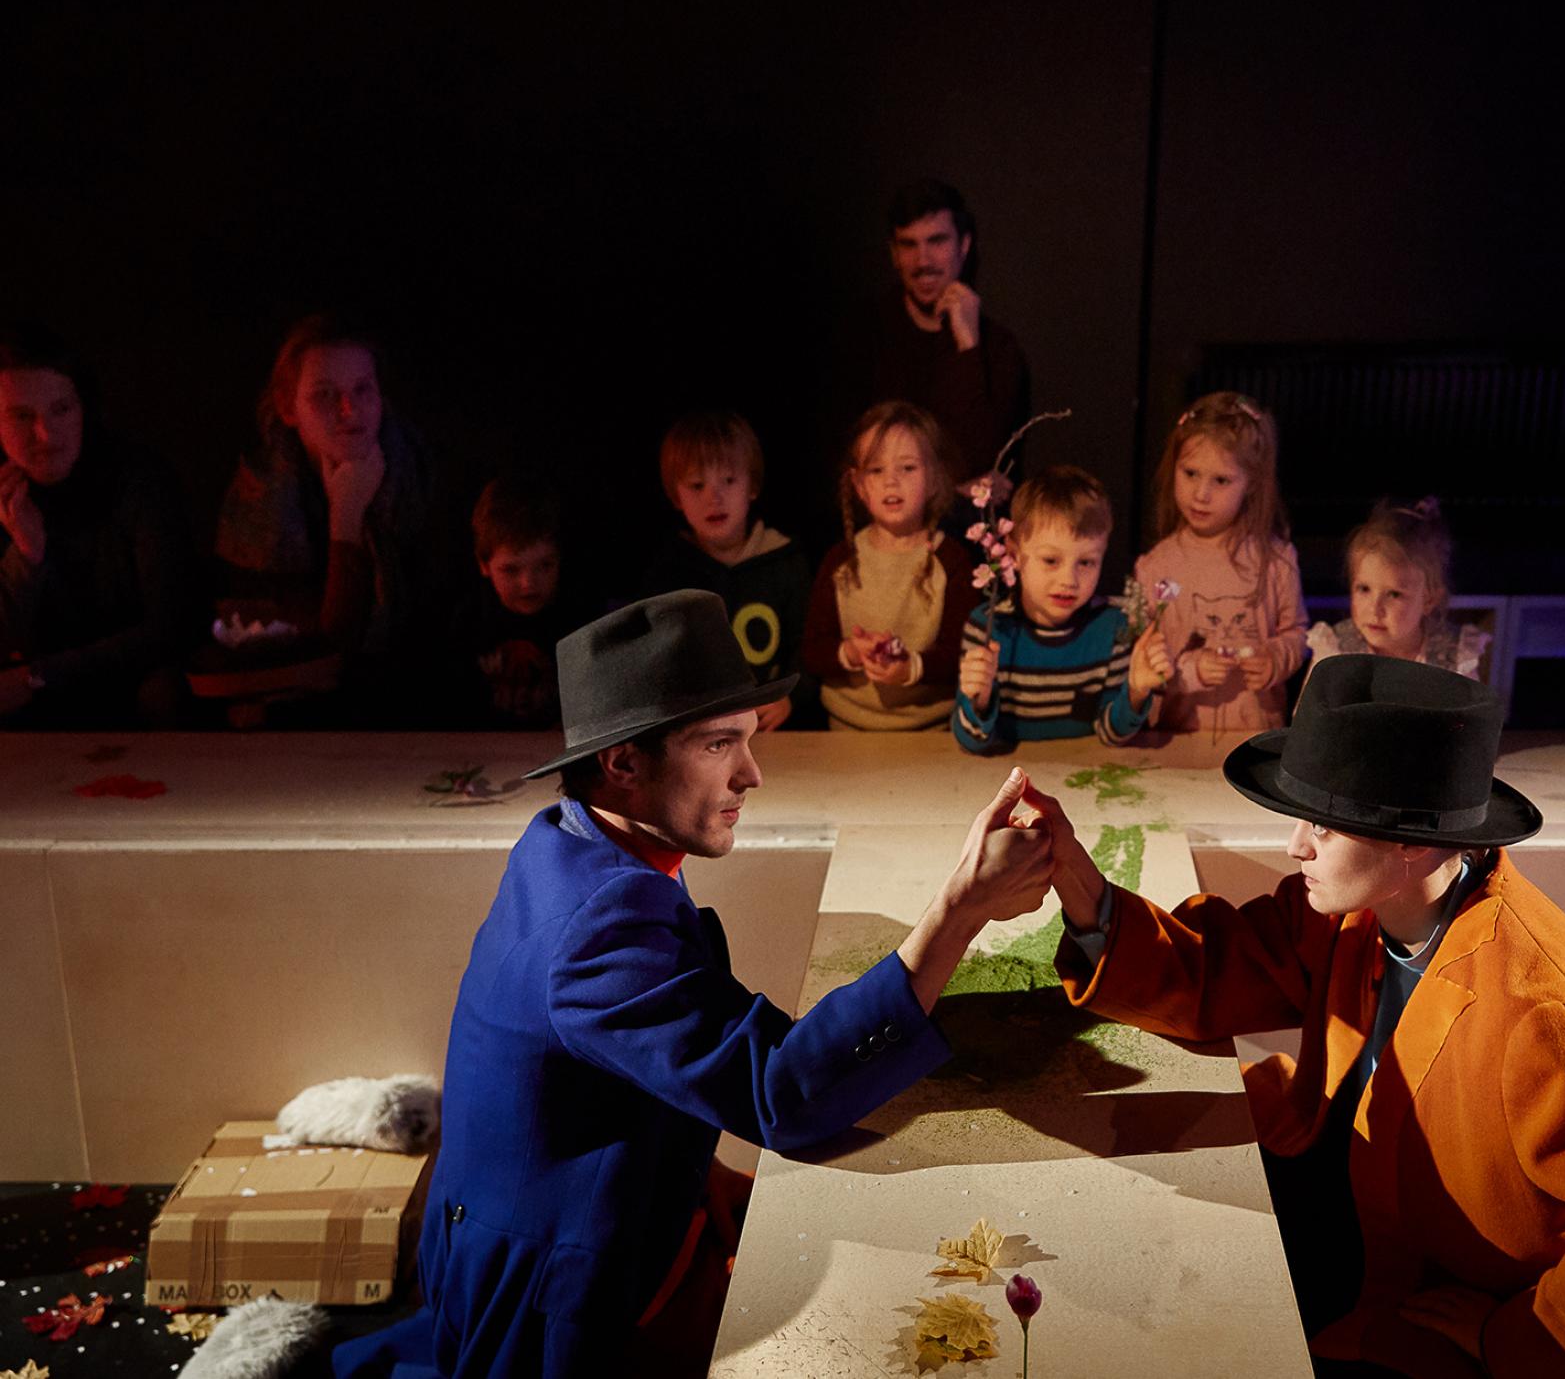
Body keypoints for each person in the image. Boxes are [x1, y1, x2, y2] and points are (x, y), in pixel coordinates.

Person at [331, 591, 1057, 1378]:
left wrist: (697, 1172)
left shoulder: (574, 843)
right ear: (623, 764)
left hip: (532, 1227)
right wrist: (958, 911)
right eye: (718, 746)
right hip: (550, 1309)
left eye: (747, 740)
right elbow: (781, 1095)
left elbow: (626, 1070)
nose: (752, 774)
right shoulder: (599, 926)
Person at [1027, 656, 1565, 1376]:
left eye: (1325, 825)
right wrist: (1078, 881)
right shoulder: (1360, 911)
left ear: (1413, 841)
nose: (1296, 846)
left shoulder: (1537, 1013)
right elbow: (1218, 970)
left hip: (1414, 1288)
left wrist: (1514, 1337)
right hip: (1340, 1192)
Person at [213, 315, 439, 713]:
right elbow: (325, 652)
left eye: (363, 389)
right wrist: (345, 519)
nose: (349, 409)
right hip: (300, 707)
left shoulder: (418, 477)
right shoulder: (259, 504)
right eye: (324, 394)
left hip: (409, 698)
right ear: (288, 407)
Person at [0, 328, 197, 727]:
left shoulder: (139, 481)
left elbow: (170, 625)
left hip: (132, 682)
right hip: (34, 701)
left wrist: (40, 675)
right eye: (23, 416)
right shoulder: (5, 494)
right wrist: (26, 557)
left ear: (84, 410)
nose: (45, 434)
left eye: (61, 410)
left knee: (163, 692)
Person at [953, 465, 1170, 752]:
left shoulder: (1114, 626)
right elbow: (973, 742)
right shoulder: (989, 627)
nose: (1069, 580)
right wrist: (978, 700)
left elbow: (1111, 735)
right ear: (1015, 555)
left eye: (1086, 562)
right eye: (1051, 561)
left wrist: (1136, 692)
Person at [1133, 392, 1309, 734]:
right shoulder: (1157, 567)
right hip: (1181, 739)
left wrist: (1274, 658)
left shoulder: (1276, 561)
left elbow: (1297, 634)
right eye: (1191, 473)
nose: (1201, 493)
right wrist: (1190, 669)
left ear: (1252, 482)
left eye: (1221, 480)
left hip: (1253, 739)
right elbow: (1144, 662)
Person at [801, 401, 978, 730]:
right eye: (876, 470)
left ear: (935, 478)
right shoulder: (841, 560)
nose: (891, 482)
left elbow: (964, 654)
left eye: (907, 468)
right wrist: (852, 652)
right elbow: (812, 649)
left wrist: (911, 666)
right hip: (846, 732)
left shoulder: (951, 560)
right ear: (859, 485)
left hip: (931, 734)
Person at [644, 410, 813, 732]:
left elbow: (805, 648)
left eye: (729, 480)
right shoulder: (668, 572)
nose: (714, 497)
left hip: (772, 735)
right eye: (697, 485)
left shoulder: (785, 562)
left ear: (752, 485)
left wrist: (789, 697)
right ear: (675, 495)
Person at [867, 179, 1031, 481]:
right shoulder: (866, 337)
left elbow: (981, 460)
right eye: (909, 245)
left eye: (937, 241)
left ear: (963, 246)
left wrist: (968, 346)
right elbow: (855, 468)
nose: (922, 261)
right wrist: (954, 493)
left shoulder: (997, 348)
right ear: (894, 253)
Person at [442, 476, 595, 730]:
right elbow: (455, 704)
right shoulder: (469, 622)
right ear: (483, 565)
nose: (528, 583)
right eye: (511, 570)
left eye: (544, 566)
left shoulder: (579, 619)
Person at [1307, 496, 1489, 680]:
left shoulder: (1453, 656)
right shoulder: (1334, 651)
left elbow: (1467, 709)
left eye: (1394, 594)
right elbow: (1306, 709)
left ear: (1429, 599)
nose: (1375, 609)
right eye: (1364, 589)